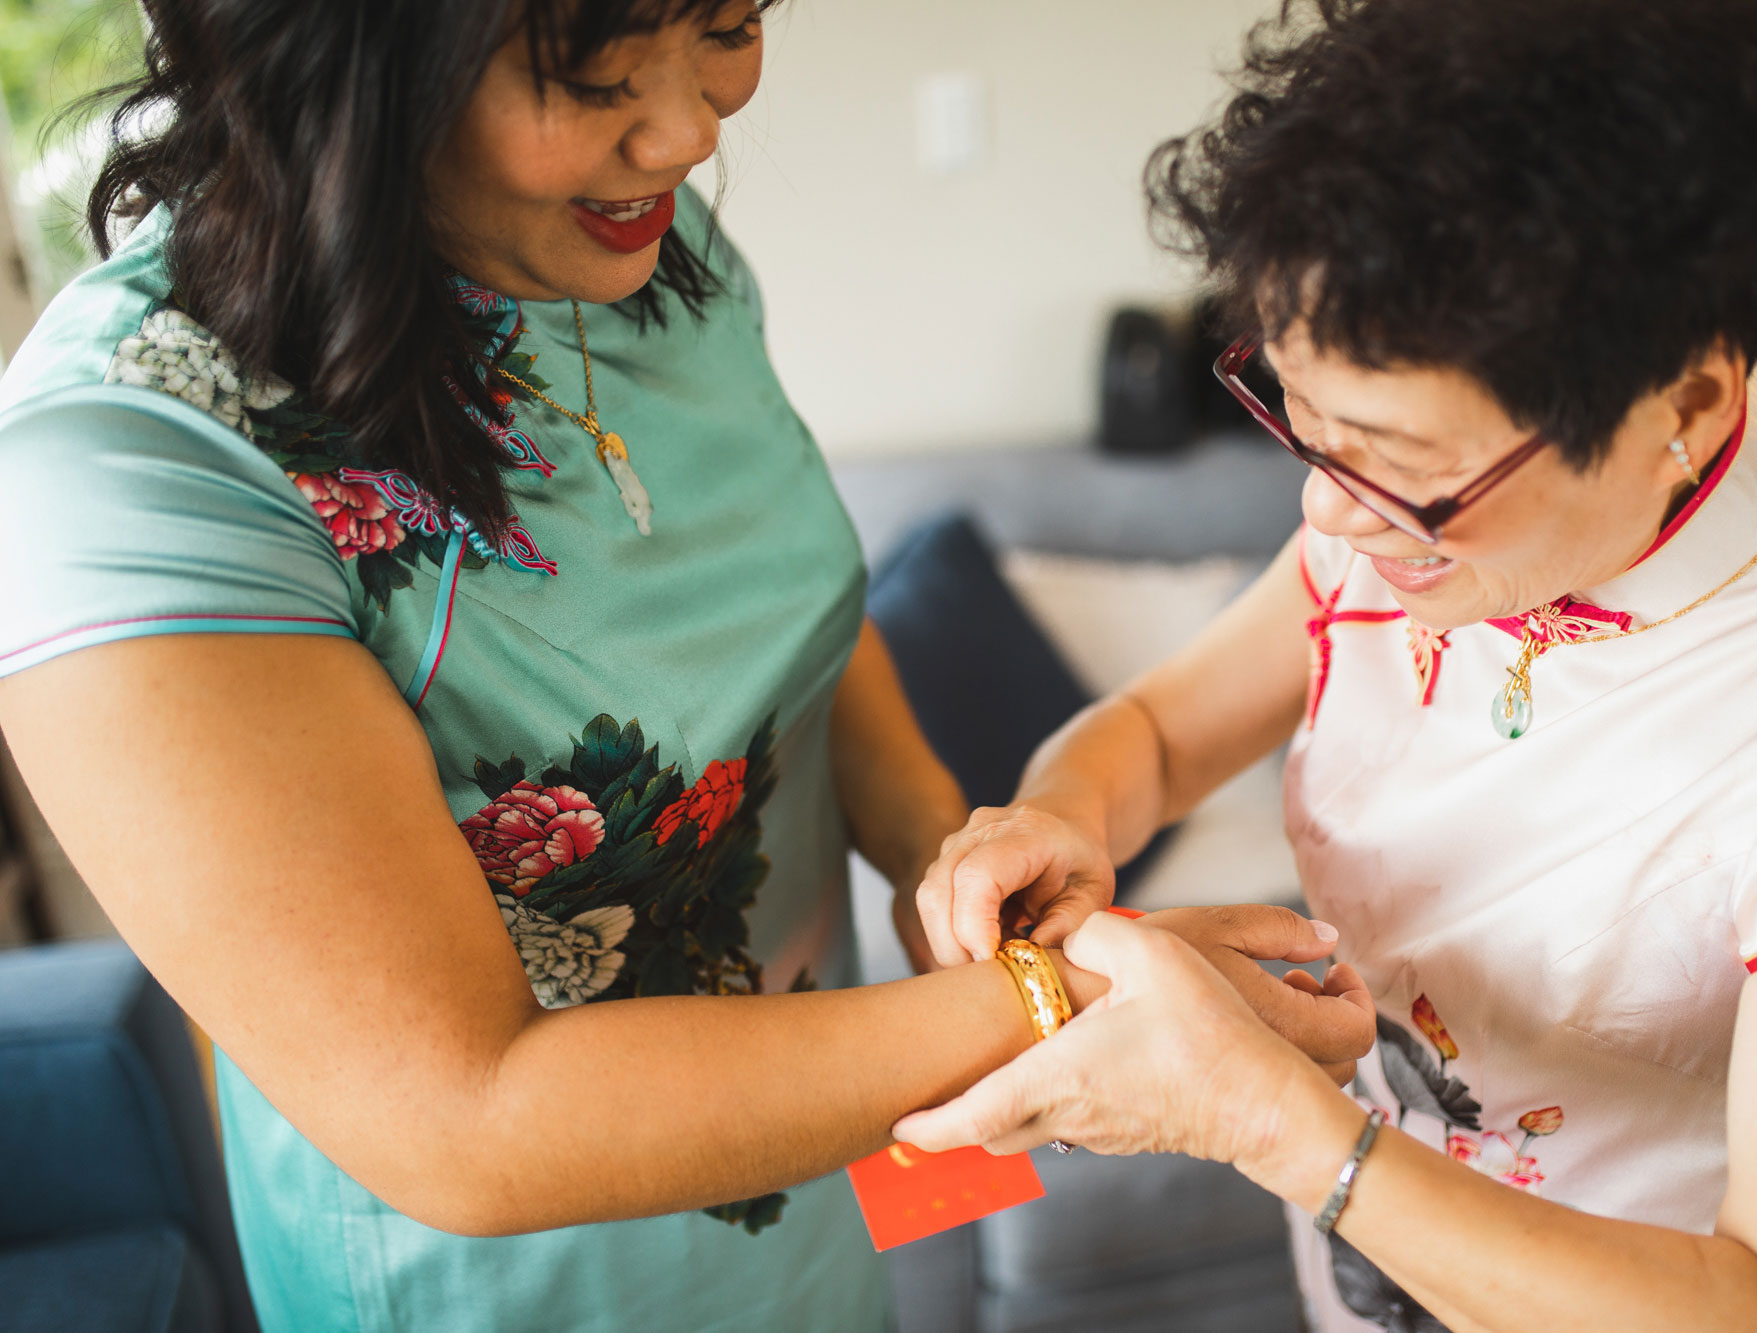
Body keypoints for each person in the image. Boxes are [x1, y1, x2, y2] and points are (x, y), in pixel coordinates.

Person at [0, 3, 1371, 1329]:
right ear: (341, 57)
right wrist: (1058, 1001)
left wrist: (942, 854)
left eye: (724, 24)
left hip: (820, 1170)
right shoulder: (135, 472)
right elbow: (467, 1119)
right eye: (593, 74)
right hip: (539, 1283)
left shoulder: (646, 249)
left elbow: (798, 628)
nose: (684, 134)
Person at [905, 2, 1757, 1330]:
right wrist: (1060, 813)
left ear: (1688, 407)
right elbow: (1156, 729)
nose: (1327, 521)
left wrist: (1266, 1118)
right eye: (1303, 424)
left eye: (1408, 473)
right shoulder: (1414, 516)